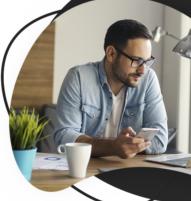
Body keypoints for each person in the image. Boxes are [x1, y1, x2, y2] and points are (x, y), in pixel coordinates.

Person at [53, 19, 168, 159]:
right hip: (85, 168)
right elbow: (64, 136)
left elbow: (160, 140)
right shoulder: (78, 77)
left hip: (129, 169)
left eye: (147, 61)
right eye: (137, 60)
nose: (143, 70)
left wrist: (126, 147)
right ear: (111, 53)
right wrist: (113, 147)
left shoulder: (148, 79)